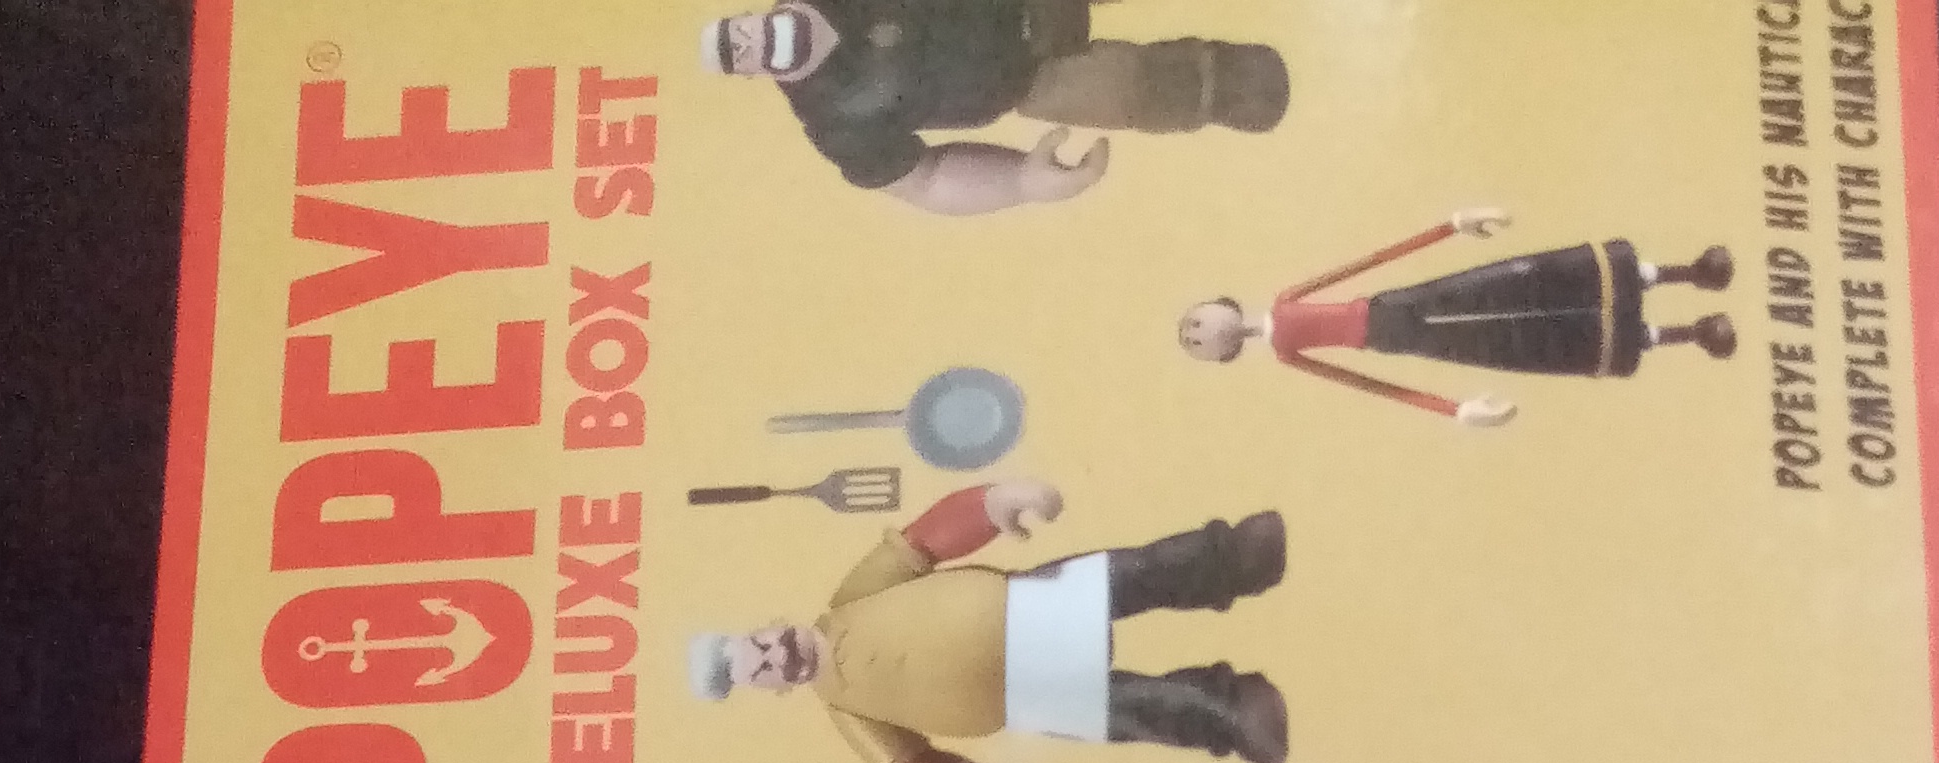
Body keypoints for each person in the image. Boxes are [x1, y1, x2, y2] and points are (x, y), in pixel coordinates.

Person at [689, 477, 1288, 763]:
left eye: (760, 645)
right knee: (1141, 708)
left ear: (770, 626)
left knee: (1142, 573)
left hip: (1030, 604)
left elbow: (920, 541)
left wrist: (991, 505)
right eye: (763, 670)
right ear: (775, 689)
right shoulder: (850, 713)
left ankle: (1234, 559)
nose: (775, 657)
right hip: (1028, 697)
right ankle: (1229, 714)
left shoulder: (853, 597)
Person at [700, 2, 1288, 212]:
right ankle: (1225, 85)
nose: (752, 43)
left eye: (741, 33)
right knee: (1134, 90)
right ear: (753, 74)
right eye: (742, 55)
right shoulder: (836, 119)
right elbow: (924, 180)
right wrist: (1020, 182)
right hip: (1027, 80)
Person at [1180, 214, 1737, 420]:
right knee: (1518, 344)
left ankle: (1683, 273)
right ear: (1226, 354)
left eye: (1204, 322)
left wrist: (1450, 226)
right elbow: (1365, 383)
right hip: (1401, 341)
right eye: (1205, 339)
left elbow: (1371, 262)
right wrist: (1455, 410)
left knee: (1515, 280)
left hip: (1401, 303)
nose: (1213, 331)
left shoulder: (1286, 300)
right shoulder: (1285, 353)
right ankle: (1682, 334)